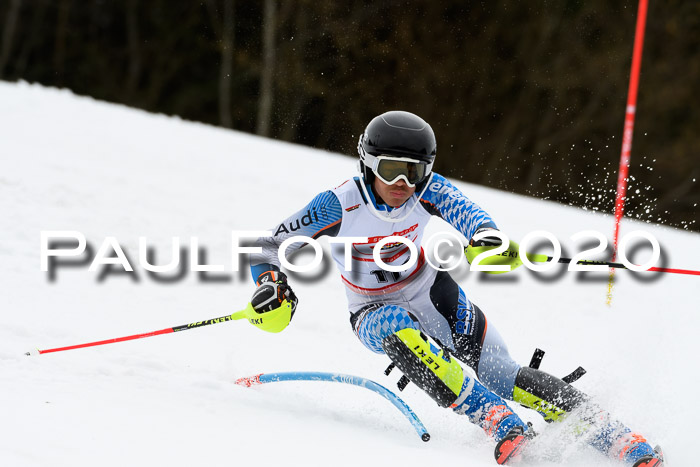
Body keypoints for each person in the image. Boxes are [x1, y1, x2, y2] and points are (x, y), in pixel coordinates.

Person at [248, 111, 664, 466]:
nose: (402, 184)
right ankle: (499, 422)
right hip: (370, 309)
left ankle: (617, 438)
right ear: (368, 163)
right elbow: (266, 245)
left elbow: (467, 211)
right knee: (396, 326)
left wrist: (487, 237)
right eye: (391, 169)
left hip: (431, 291)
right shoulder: (338, 205)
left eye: (414, 172)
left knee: (502, 373)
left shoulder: (427, 190)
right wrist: (270, 284)